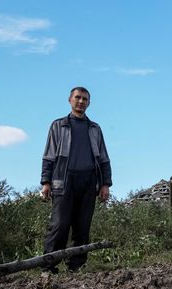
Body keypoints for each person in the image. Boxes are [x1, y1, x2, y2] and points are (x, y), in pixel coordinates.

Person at [40, 86, 112, 273]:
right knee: (60, 224)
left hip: (89, 181)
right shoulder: (58, 125)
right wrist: (46, 182)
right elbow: (48, 156)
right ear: (70, 100)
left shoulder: (95, 129)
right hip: (63, 180)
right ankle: (49, 267)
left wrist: (105, 184)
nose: (81, 102)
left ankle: (76, 267)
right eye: (77, 98)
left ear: (89, 103)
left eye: (85, 99)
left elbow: (103, 158)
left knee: (82, 226)